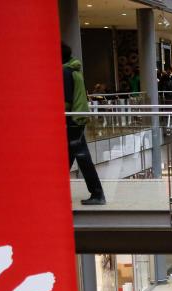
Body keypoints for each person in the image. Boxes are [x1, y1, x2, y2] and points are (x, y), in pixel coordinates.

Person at [62, 43, 105, 205]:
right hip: (78, 119)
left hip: (71, 120)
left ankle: (97, 193)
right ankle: (57, 190)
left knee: (82, 157)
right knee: (70, 156)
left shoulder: (65, 72)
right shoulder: (75, 70)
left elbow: (66, 101)